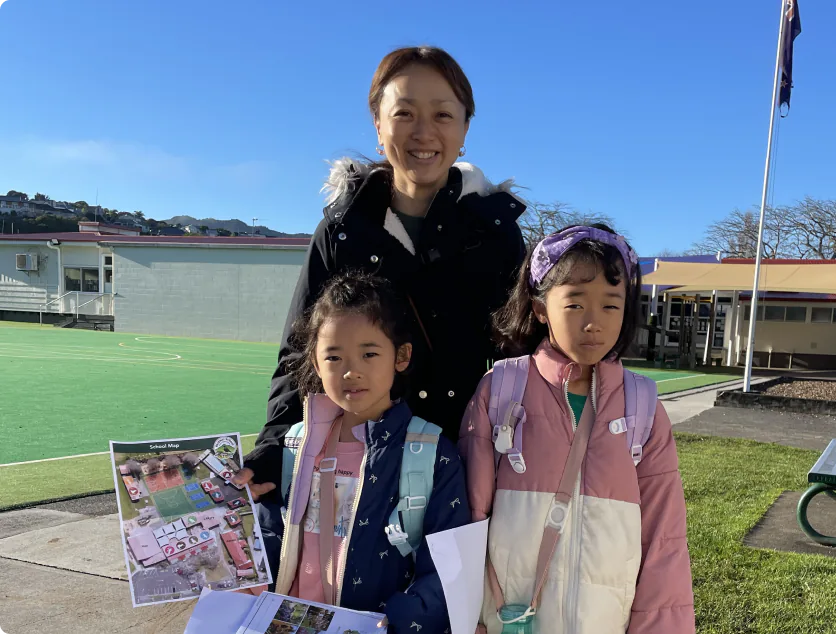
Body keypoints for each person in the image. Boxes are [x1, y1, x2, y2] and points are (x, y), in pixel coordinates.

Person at [237, 45, 526, 579]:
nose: (423, 132)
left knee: (442, 603)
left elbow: (522, 358)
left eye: (442, 114)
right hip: (355, 462)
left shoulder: (496, 234)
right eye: (404, 113)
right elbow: (301, 351)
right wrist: (275, 445)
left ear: (464, 129)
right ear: (377, 124)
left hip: (456, 466)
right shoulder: (342, 230)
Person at [459, 225, 695, 633]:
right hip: (507, 620)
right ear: (539, 308)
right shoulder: (500, 391)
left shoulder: (643, 406)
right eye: (575, 304)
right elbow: (468, 522)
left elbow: (664, 541)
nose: (594, 323)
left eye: (610, 306)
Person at [269, 271, 469, 632]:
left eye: (369, 353)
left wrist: (393, 623)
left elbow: (446, 564)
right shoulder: (298, 442)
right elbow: (273, 528)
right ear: (315, 363)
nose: (351, 372)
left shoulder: (432, 453)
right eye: (334, 358)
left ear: (402, 356)